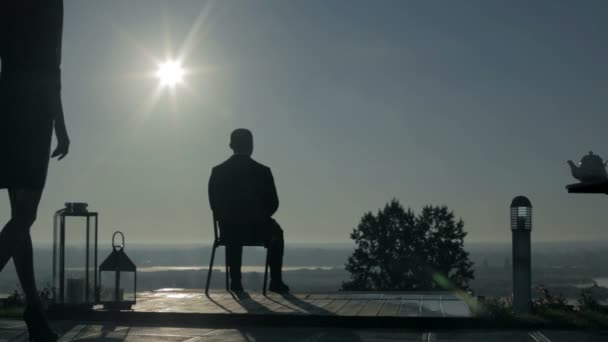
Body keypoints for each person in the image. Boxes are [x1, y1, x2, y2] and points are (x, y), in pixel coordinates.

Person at [0, 1, 70, 340]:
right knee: (25, 216)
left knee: (19, 215)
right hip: (34, 111)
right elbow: (51, 65)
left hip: (7, 105)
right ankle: (34, 313)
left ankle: (35, 312)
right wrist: (60, 123)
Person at [208, 129, 290, 293]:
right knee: (277, 233)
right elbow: (274, 203)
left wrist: (227, 218)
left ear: (231, 145)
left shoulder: (218, 171)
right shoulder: (263, 171)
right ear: (251, 145)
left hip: (228, 230)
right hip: (258, 229)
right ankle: (275, 281)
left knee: (233, 232)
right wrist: (260, 217)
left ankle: (235, 281)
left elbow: (214, 204)